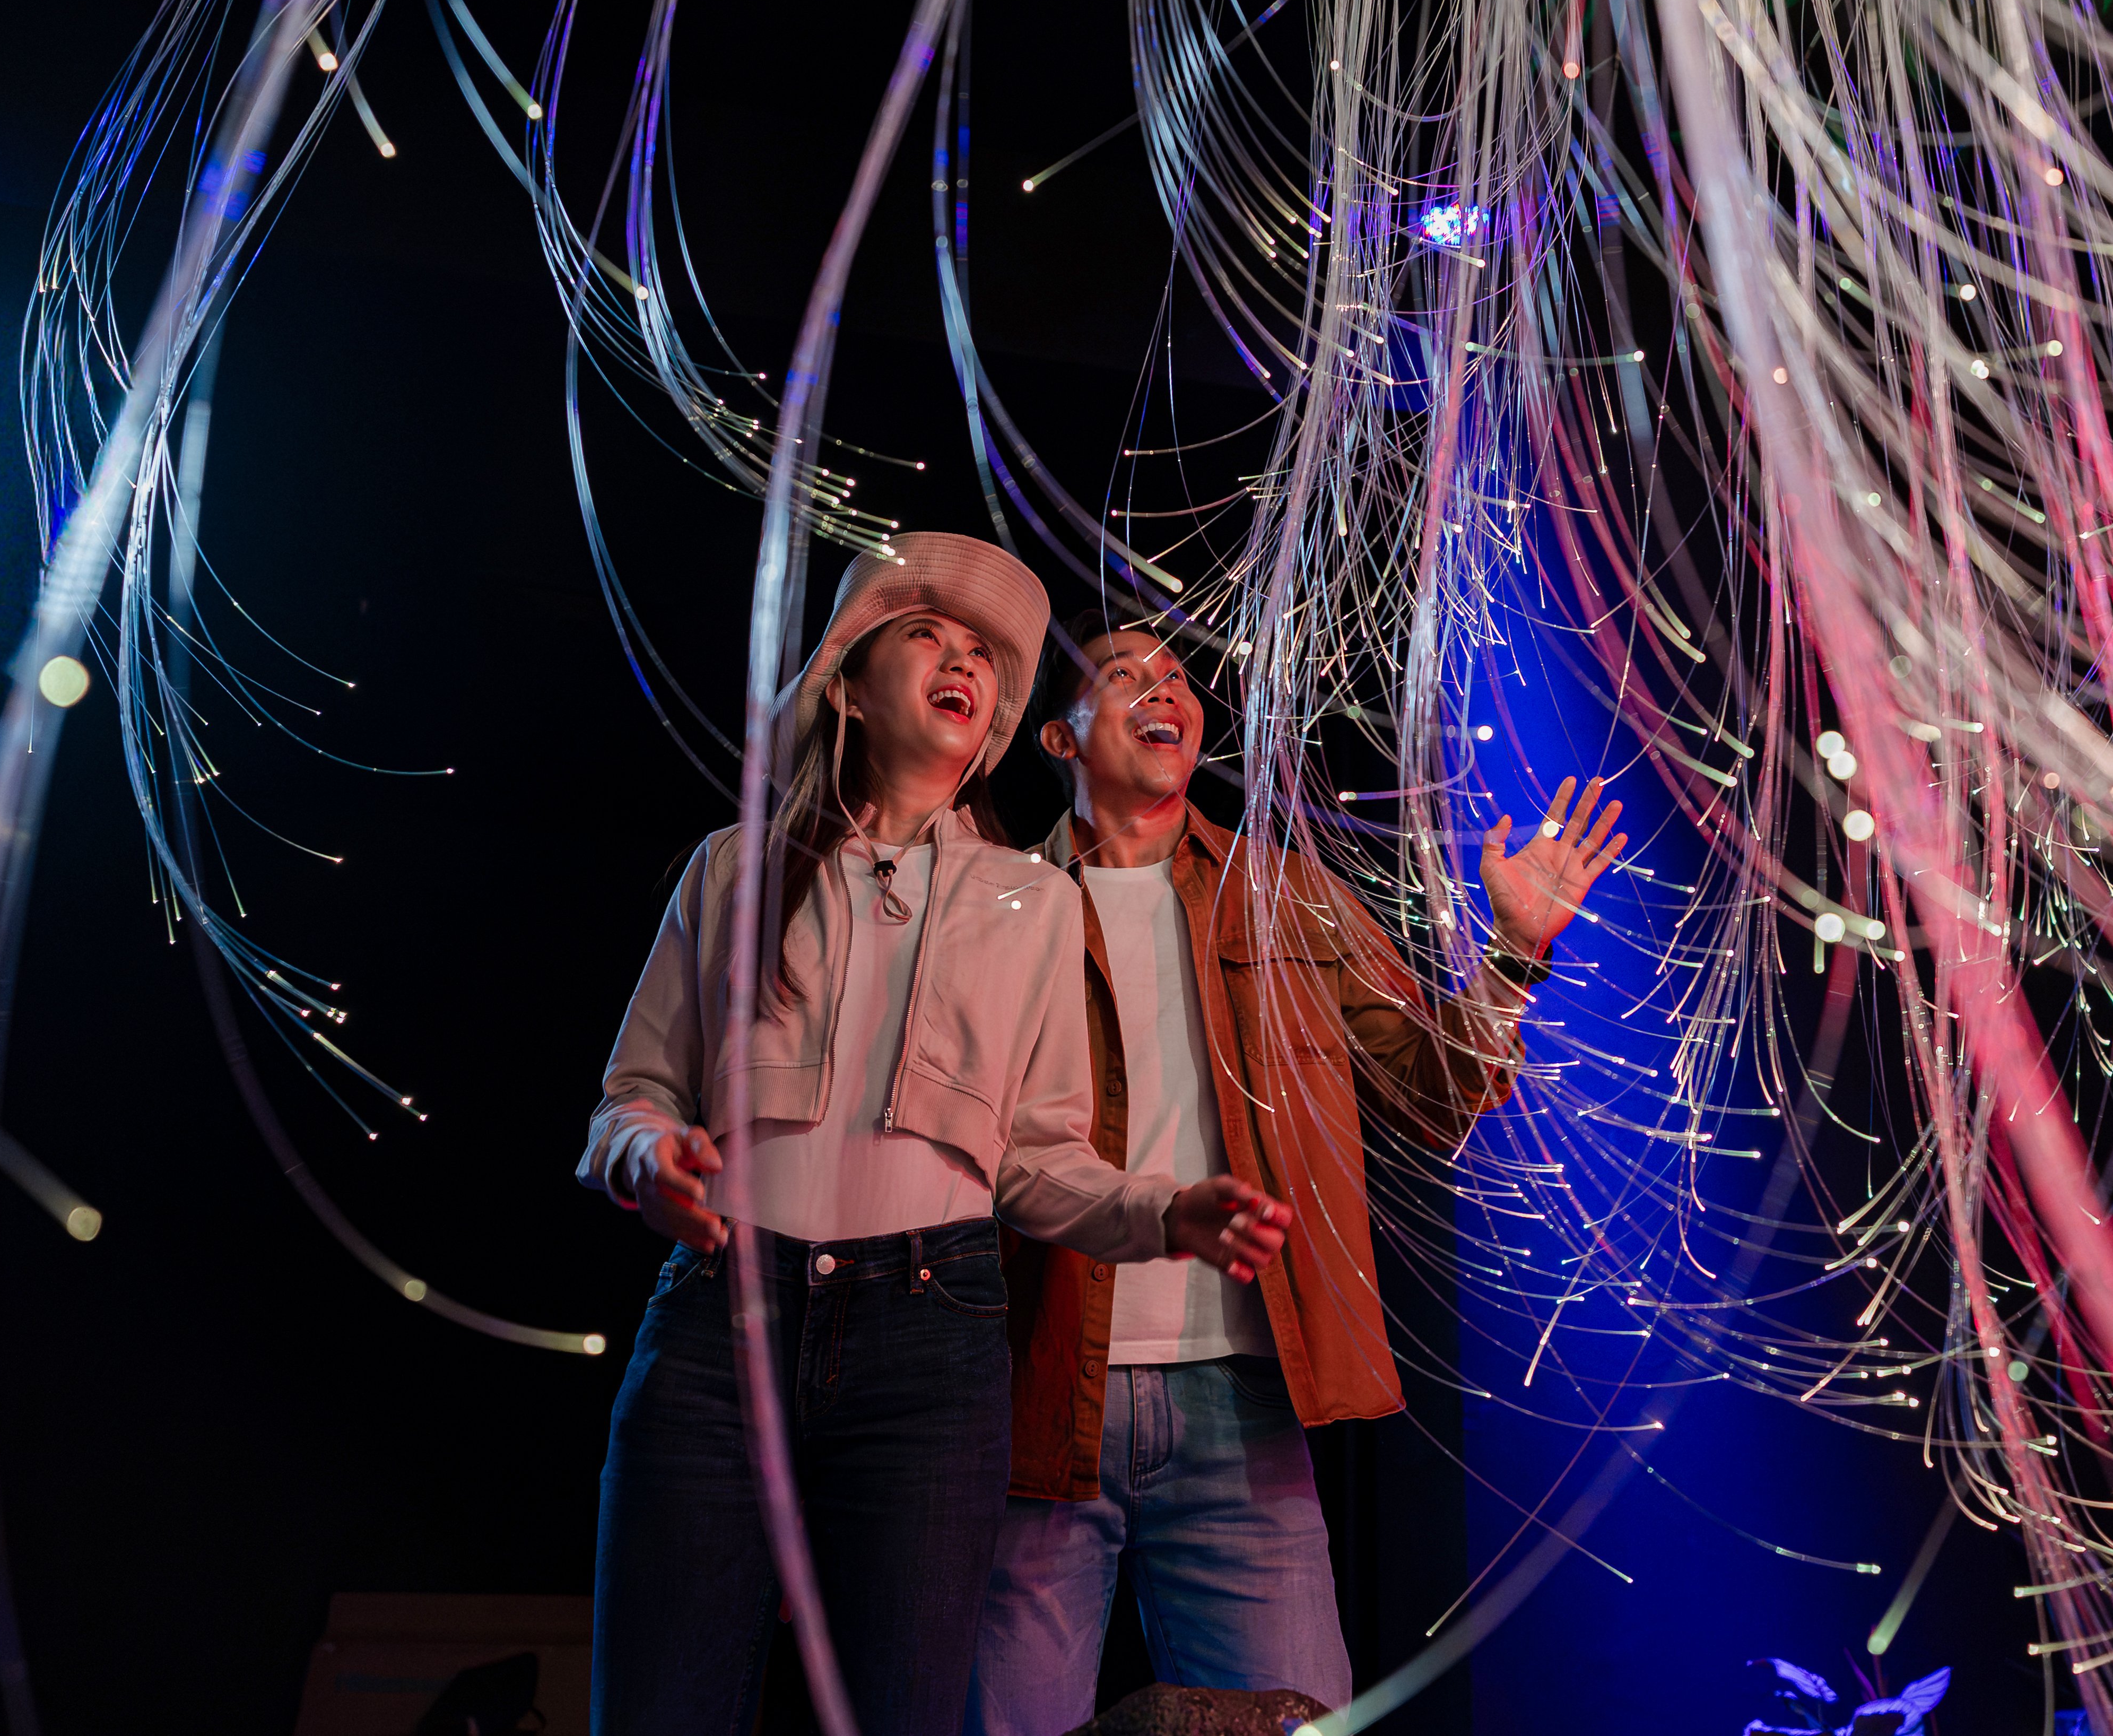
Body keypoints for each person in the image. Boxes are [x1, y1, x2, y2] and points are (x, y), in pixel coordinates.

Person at [580, 540, 1295, 1736]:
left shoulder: (1036, 905)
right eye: (926, 634)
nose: (962, 657)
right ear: (847, 685)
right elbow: (627, 1097)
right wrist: (646, 1160)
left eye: (982, 656)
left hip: (931, 1343)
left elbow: (1036, 1161)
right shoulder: (730, 870)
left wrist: (1164, 1211)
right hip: (721, 1321)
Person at [966, 626, 1627, 1732]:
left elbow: (1432, 1093)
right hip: (1034, 1390)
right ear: (1056, 737)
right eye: (1123, 680)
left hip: (1242, 1397)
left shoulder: (1289, 898)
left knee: (1296, 1717)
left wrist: (1511, 952)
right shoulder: (991, 907)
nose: (1162, 692)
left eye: (1177, 680)